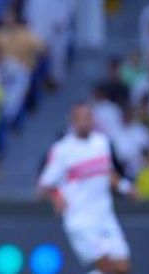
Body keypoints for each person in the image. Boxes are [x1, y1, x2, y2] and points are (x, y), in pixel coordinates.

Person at [39, 102, 134, 274]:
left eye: (87, 118)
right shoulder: (62, 150)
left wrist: (125, 187)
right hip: (81, 220)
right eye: (79, 118)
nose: (84, 122)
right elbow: (45, 184)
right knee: (108, 268)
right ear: (72, 121)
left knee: (122, 269)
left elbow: (108, 172)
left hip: (105, 216)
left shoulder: (102, 142)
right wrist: (57, 195)